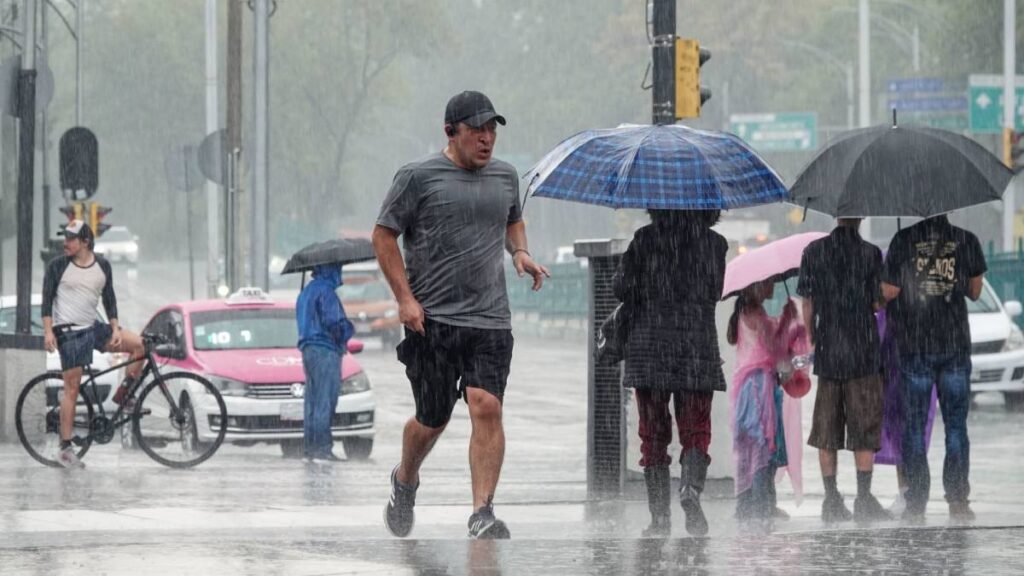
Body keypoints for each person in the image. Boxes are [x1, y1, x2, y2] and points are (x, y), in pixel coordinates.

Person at [374, 91, 549, 539]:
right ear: (451, 132)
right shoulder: (417, 177)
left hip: (490, 319)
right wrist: (405, 299)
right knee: (432, 419)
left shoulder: (505, 176)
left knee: (486, 406)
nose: (487, 139)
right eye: (477, 131)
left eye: (492, 130)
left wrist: (521, 252)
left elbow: (511, 218)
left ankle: (482, 512)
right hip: (431, 321)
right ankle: (405, 479)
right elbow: (383, 236)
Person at [613, 209, 727, 537]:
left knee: (653, 435)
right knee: (695, 429)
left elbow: (622, 288)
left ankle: (659, 519)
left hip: (650, 349)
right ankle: (690, 489)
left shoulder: (645, 240)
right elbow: (714, 292)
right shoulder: (714, 243)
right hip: (696, 348)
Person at [882, 214, 986, 522]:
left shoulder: (903, 240)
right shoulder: (966, 239)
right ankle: (957, 500)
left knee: (913, 426)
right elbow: (976, 291)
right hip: (954, 345)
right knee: (956, 426)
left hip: (915, 345)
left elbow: (889, 291)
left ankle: (916, 499)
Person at [797, 218, 892, 524]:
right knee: (864, 426)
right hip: (863, 350)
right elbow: (877, 303)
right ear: (860, 218)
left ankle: (831, 498)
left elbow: (808, 303)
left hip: (829, 349)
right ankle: (863, 498)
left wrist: (812, 338)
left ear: (835, 215)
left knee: (827, 427)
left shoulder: (814, 251)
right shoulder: (870, 253)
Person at [41, 220, 145, 469]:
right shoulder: (58, 266)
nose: (65, 243)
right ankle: (65, 448)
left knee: (140, 345)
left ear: (85, 242)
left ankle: (124, 396)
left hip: (95, 328)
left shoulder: (103, 265)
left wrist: (116, 327)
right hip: (70, 332)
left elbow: (109, 298)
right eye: (64, 238)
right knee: (72, 388)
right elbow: (46, 302)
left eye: (70, 238)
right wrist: (48, 332)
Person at [726, 281, 808, 530]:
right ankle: (761, 507)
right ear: (754, 288)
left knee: (751, 448)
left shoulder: (747, 312)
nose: (772, 285)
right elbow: (774, 348)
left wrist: (785, 320)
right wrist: (788, 320)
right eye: (767, 282)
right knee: (764, 446)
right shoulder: (755, 313)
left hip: (749, 389)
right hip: (757, 391)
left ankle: (750, 504)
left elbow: (771, 343)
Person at [296, 263, 355, 463]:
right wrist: (348, 330)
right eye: (338, 270)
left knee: (312, 401)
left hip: (308, 350)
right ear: (331, 271)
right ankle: (322, 448)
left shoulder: (306, 293)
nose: (341, 274)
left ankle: (310, 448)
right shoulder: (326, 292)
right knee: (325, 400)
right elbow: (335, 322)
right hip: (325, 350)